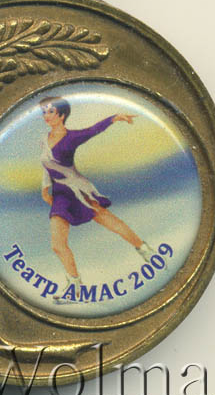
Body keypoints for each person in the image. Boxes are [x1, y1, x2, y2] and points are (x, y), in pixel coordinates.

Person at [40, 96, 154, 299]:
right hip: (60, 195)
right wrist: (45, 188)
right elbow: (47, 166)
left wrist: (114, 118)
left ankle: (146, 251)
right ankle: (74, 286)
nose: (46, 116)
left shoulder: (71, 137)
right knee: (57, 245)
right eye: (44, 112)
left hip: (76, 190)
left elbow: (92, 130)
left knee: (109, 221)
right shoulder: (44, 139)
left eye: (50, 111)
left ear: (62, 115)